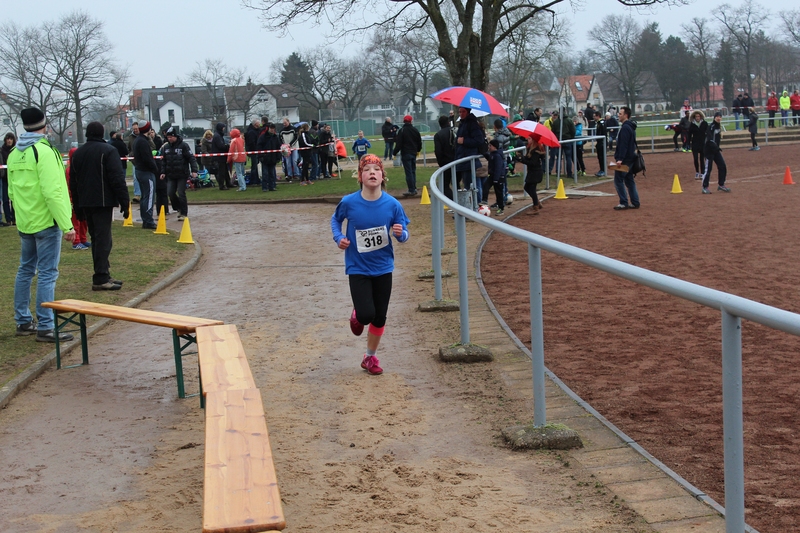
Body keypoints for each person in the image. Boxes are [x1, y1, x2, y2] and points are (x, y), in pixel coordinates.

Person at [330, 154, 410, 376]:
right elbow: (335, 220)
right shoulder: (349, 202)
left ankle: (370, 357)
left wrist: (400, 234)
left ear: (383, 176)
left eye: (376, 169)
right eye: (367, 170)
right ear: (360, 176)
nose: (372, 173)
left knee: (380, 316)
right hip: (358, 267)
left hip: (383, 267)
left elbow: (404, 233)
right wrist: (339, 238)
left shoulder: (393, 205)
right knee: (366, 315)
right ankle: (358, 312)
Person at [7, 107, 76, 342]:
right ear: (44, 125)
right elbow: (52, 191)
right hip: (46, 222)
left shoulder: (14, 153)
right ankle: (46, 326)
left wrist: (20, 216)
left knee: (25, 270)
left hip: (26, 222)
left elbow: (12, 191)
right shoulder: (45, 152)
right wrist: (67, 225)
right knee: (47, 273)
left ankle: (23, 321)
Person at [69, 121, 130, 291]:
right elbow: (117, 179)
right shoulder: (108, 151)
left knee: (96, 239)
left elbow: (74, 181)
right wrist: (124, 202)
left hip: (86, 201)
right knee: (103, 240)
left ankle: (103, 273)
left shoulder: (78, 153)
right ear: (102, 133)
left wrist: (78, 206)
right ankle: (101, 277)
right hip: (103, 201)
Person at [160, 126, 198, 219]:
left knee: (181, 193)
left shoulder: (184, 146)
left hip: (182, 174)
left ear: (175, 136)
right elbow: (164, 161)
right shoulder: (166, 147)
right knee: (170, 193)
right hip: (171, 174)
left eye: (171, 137)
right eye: (168, 137)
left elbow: (191, 158)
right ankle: (178, 207)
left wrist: (194, 170)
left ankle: (184, 213)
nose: (169, 139)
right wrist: (163, 172)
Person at [612, 106, 640, 210]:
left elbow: (623, 145)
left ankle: (624, 202)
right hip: (631, 158)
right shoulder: (630, 127)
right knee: (629, 180)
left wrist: (620, 159)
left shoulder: (625, 128)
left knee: (618, 180)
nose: (618, 115)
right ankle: (635, 202)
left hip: (625, 159)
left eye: (620, 114)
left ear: (626, 115)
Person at [131, 121, 158, 229]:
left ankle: (146, 219)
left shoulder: (138, 140)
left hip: (140, 170)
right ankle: (148, 220)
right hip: (146, 171)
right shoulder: (143, 142)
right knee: (149, 196)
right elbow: (147, 158)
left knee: (144, 197)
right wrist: (155, 168)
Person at [453, 107, 484, 193]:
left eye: (463, 112)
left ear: (468, 112)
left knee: (471, 186)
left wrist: (464, 141)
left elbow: (479, 140)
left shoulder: (472, 124)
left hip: (468, 160)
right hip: (462, 159)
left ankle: (476, 200)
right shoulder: (462, 124)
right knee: (467, 185)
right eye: (460, 112)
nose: (461, 114)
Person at [64, 148, 89, 249]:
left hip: (82, 198)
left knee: (83, 220)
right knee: (76, 221)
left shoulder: (81, 168)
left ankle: (83, 239)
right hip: (73, 198)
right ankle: (76, 241)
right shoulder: (70, 170)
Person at [393, 115, 422, 196]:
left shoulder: (402, 130)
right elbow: (419, 141)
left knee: (408, 172)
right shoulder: (415, 130)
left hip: (406, 153)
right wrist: (418, 150)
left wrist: (394, 152)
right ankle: (414, 187)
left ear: (404, 121)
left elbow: (399, 144)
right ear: (411, 121)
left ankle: (411, 189)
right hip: (413, 153)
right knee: (413, 171)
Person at [701, 112, 730, 194]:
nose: (718, 118)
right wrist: (715, 147)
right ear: (714, 118)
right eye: (717, 116)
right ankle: (705, 187)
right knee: (708, 169)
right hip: (709, 151)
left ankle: (721, 184)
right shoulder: (711, 126)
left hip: (716, 150)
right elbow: (709, 139)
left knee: (722, 166)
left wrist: (716, 148)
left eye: (720, 116)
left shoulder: (718, 126)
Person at [520, 136, 544, 214]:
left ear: (534, 140)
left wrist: (522, 160)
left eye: (530, 138)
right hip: (532, 172)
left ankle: (535, 207)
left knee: (532, 188)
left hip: (535, 172)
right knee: (527, 187)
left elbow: (532, 163)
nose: (527, 139)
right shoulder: (530, 148)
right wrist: (520, 157)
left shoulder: (536, 150)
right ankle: (537, 202)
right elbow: (528, 159)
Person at [433, 115, 456, 201]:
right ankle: (460, 202)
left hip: (446, 162)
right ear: (448, 122)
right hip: (458, 161)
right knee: (456, 184)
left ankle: (454, 202)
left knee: (444, 186)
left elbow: (438, 151)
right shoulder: (455, 131)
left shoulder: (438, 135)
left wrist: (441, 163)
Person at [257, 122, 281, 192]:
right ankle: (264, 187)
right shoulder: (263, 137)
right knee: (265, 174)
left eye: (273, 129)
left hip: (273, 158)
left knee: (272, 174)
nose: (272, 130)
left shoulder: (275, 137)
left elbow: (278, 148)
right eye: (271, 128)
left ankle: (272, 186)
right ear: (268, 129)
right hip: (265, 158)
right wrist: (261, 156)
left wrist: (278, 157)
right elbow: (259, 147)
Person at [485, 139, 507, 216]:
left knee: (499, 192)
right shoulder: (492, 154)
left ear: (494, 147)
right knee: (485, 186)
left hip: (498, 177)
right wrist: (483, 153)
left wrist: (496, 179)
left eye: (490, 146)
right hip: (492, 176)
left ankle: (501, 208)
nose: (489, 147)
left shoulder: (497, 155)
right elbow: (489, 158)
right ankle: (484, 201)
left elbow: (498, 168)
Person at [687, 110, 708, 180]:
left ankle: (702, 173)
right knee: (695, 159)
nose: (697, 118)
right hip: (695, 143)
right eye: (696, 116)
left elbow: (708, 133)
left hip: (702, 143)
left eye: (698, 116)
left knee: (702, 159)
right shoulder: (692, 125)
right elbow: (689, 135)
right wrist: (688, 143)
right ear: (694, 117)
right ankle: (697, 172)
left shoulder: (704, 123)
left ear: (700, 117)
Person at [1, 133, 16, 225]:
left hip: (14, 179)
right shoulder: (2, 151)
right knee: (5, 200)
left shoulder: (16, 150)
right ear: (5, 140)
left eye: (11, 139)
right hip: (4, 179)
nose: (9, 140)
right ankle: (8, 219)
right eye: (8, 139)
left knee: (14, 200)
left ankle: (14, 219)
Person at [279, 118, 300, 182]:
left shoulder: (294, 129)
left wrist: (290, 144)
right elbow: (280, 139)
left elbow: (296, 138)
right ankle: (289, 174)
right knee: (288, 162)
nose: (284, 124)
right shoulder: (282, 131)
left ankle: (296, 174)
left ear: (288, 122)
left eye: (285, 123)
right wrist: (284, 145)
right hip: (286, 149)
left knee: (294, 161)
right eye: (283, 123)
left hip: (294, 147)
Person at [212, 123, 232, 190]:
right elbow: (221, 146)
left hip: (222, 156)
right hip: (219, 157)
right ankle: (222, 185)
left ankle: (228, 183)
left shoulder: (218, 135)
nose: (224, 129)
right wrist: (228, 146)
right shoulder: (217, 136)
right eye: (223, 127)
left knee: (225, 171)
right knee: (221, 171)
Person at [127, 122, 141, 203]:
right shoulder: (131, 137)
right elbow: (129, 147)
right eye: (134, 129)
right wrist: (131, 154)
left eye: (136, 129)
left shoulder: (144, 136)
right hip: (135, 161)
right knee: (135, 178)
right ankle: (137, 195)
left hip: (143, 161)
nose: (135, 130)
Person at [244, 119, 261, 185]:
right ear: (255, 124)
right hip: (253, 151)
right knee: (254, 166)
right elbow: (251, 143)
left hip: (255, 151)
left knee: (255, 165)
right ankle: (254, 180)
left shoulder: (255, 131)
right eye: (258, 123)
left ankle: (256, 179)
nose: (259, 124)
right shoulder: (251, 132)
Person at [593, 111, 607, 177]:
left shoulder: (602, 123)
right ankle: (601, 169)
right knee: (599, 157)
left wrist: (602, 142)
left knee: (602, 157)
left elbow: (603, 133)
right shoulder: (598, 123)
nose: (593, 117)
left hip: (602, 143)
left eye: (594, 116)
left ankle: (603, 170)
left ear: (598, 116)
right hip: (599, 142)